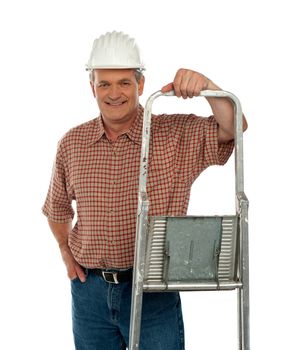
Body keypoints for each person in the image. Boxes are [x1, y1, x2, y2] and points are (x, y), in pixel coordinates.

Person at [42, 31, 247, 350]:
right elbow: (57, 209)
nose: (114, 93)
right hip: (89, 295)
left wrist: (207, 86)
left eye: (124, 82)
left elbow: (234, 127)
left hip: (154, 291)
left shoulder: (174, 135)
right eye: (104, 83)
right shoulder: (72, 143)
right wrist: (65, 251)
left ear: (140, 84)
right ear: (91, 86)